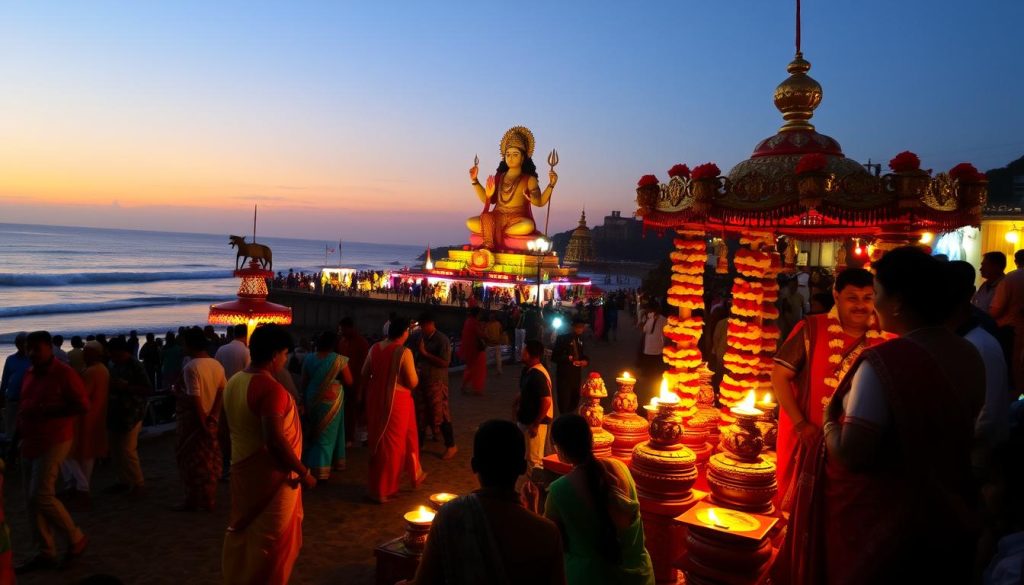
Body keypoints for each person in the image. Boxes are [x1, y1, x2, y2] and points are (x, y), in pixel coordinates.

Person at [778, 247, 985, 585]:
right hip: (947, 505)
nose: (871, 304)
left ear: (897, 302)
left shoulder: (885, 362)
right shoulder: (970, 353)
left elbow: (852, 454)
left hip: (884, 516)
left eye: (876, 293)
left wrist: (829, 418)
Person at [770, 267, 884, 506]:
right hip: (813, 440)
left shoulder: (886, 337)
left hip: (860, 448)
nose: (860, 305)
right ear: (836, 296)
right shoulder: (812, 329)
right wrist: (801, 424)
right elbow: (779, 376)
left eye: (867, 298)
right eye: (852, 298)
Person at [403, 420, 566, 585]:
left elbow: (424, 581)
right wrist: (533, 513)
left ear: (474, 465)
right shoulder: (547, 532)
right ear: (523, 467)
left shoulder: (450, 516)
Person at [222, 324, 315, 585]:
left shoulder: (234, 382)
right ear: (275, 355)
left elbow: (223, 431)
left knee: (247, 538)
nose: (285, 359)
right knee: (272, 545)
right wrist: (303, 472)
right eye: (284, 354)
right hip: (272, 480)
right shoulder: (271, 389)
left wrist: (233, 464)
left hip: (242, 472)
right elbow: (274, 440)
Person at [545, 414, 655, 585]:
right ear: (591, 440)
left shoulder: (559, 490)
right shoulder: (622, 469)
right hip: (639, 575)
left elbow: (551, 541)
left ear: (559, 449)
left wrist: (530, 506)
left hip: (589, 577)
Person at [14, 331, 89, 573]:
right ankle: (45, 551)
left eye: (36, 348)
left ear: (49, 348)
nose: (31, 353)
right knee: (30, 500)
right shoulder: (29, 373)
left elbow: (82, 405)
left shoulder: (64, 373)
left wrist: (47, 411)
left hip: (54, 439)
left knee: (41, 495)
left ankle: (75, 537)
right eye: (28, 348)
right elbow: (24, 407)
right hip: (30, 440)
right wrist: (16, 438)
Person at [362, 316, 425, 503]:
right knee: (393, 445)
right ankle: (384, 489)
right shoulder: (404, 352)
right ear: (404, 333)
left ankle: (379, 486)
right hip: (396, 402)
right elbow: (412, 382)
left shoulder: (374, 348)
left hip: (375, 399)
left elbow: (365, 373)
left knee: (378, 442)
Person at [466, 126, 558, 250]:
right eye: (508, 154)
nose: (510, 158)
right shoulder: (499, 177)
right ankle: (494, 235)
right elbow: (488, 199)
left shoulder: (529, 179)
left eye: (515, 154)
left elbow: (539, 202)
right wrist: (475, 180)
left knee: (527, 226)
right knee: (471, 222)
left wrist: (551, 185)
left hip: (517, 219)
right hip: (496, 217)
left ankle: (493, 232)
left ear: (523, 157)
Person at [174, 328, 227, 511]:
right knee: (209, 460)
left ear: (190, 345)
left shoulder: (191, 367)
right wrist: (214, 416)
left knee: (191, 461)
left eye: (184, 343)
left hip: (194, 421)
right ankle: (209, 498)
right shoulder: (216, 365)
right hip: (211, 419)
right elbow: (221, 390)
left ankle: (192, 500)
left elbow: (194, 398)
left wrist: (203, 421)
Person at [299, 331, 353, 480]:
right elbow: (349, 381)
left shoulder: (309, 358)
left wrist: (303, 399)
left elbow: (303, 381)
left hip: (312, 398)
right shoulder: (339, 360)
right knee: (326, 435)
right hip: (331, 400)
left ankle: (310, 465)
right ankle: (321, 469)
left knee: (314, 431)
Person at [62, 340, 109, 503]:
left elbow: (81, 394)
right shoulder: (101, 369)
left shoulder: (92, 371)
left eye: (86, 352)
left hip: (85, 416)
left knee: (70, 453)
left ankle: (81, 486)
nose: (83, 354)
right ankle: (80, 486)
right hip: (95, 414)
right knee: (86, 453)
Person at [105, 337, 150, 496]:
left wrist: (127, 387)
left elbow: (147, 389)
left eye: (114, 354)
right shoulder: (113, 364)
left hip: (132, 413)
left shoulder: (135, 365)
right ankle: (123, 480)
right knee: (115, 449)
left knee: (127, 449)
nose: (112, 357)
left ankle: (138, 483)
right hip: (116, 411)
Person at [414, 313, 457, 460]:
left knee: (441, 413)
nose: (422, 328)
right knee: (422, 412)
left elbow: (445, 363)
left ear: (431, 324)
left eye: (423, 326)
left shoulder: (442, 340)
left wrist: (425, 354)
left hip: (437, 381)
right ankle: (419, 444)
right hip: (423, 380)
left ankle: (450, 445)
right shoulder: (422, 337)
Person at [516, 340, 554, 470]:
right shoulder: (528, 371)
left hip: (536, 422)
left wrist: (536, 424)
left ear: (530, 354)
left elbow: (546, 401)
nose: (521, 352)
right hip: (526, 419)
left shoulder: (538, 374)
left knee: (534, 459)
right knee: (524, 454)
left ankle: (535, 482)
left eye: (524, 351)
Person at [990, 249, 1024, 392]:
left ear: (1016, 261)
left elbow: (997, 309)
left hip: (1011, 330)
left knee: (1014, 366)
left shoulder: (1010, 279)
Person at [337, 318, 370, 445]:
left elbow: (364, 367)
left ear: (350, 328)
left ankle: (356, 438)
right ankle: (348, 437)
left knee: (357, 411)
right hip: (345, 382)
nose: (341, 332)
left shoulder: (361, 343)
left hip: (358, 382)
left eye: (343, 329)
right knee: (347, 411)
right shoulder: (342, 342)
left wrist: (361, 388)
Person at [552, 317, 589, 416]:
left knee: (575, 399)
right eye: (578, 327)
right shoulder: (562, 338)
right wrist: (567, 358)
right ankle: (564, 419)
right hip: (564, 375)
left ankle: (570, 419)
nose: (580, 329)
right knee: (564, 401)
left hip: (576, 375)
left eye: (582, 327)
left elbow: (583, 355)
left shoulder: (581, 339)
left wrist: (585, 361)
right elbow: (554, 357)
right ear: (572, 327)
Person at [0, 333, 29, 453]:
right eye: (21, 343)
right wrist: (1, 395)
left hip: (28, 399)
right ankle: (10, 451)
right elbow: (5, 378)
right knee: (10, 427)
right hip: (12, 398)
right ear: (17, 344)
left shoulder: (33, 359)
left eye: (25, 344)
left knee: (26, 428)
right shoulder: (10, 359)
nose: (23, 346)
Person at [636, 303, 667, 396]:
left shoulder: (662, 319)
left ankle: (651, 383)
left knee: (652, 368)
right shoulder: (652, 318)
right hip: (651, 347)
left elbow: (646, 329)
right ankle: (649, 382)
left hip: (655, 347)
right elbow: (646, 329)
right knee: (651, 367)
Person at [459, 307, 487, 396]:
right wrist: (485, 333)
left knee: (470, 369)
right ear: (477, 314)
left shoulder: (468, 321)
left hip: (469, 349)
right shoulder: (474, 323)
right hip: (475, 350)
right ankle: (477, 388)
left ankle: (464, 386)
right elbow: (480, 334)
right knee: (478, 369)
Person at [483, 312, 505, 376]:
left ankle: (483, 371)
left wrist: (488, 340)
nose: (490, 318)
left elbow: (486, 334)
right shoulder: (498, 324)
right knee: (498, 358)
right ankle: (499, 371)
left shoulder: (488, 325)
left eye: (491, 317)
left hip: (490, 344)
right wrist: (500, 340)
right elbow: (501, 332)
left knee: (485, 358)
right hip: (497, 343)